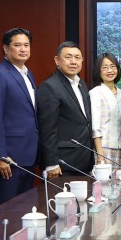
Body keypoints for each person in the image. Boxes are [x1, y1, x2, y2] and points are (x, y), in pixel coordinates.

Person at [0, 28, 40, 205]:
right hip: (10, 157)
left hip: (29, 154)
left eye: (26, 45)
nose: (23, 49)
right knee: (8, 209)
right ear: (6, 49)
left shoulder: (28, 74)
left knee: (25, 209)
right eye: (17, 45)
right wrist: (0, 156)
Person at [37, 41, 95, 178]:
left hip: (83, 160)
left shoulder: (81, 84)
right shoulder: (50, 87)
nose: (73, 62)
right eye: (68, 57)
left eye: (77, 57)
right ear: (57, 60)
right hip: (62, 163)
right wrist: (51, 163)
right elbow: (47, 129)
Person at [90, 52, 121, 166]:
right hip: (103, 148)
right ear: (98, 71)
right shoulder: (95, 93)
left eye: (113, 66)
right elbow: (95, 127)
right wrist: (100, 154)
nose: (110, 70)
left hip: (120, 148)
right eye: (105, 67)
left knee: (119, 178)